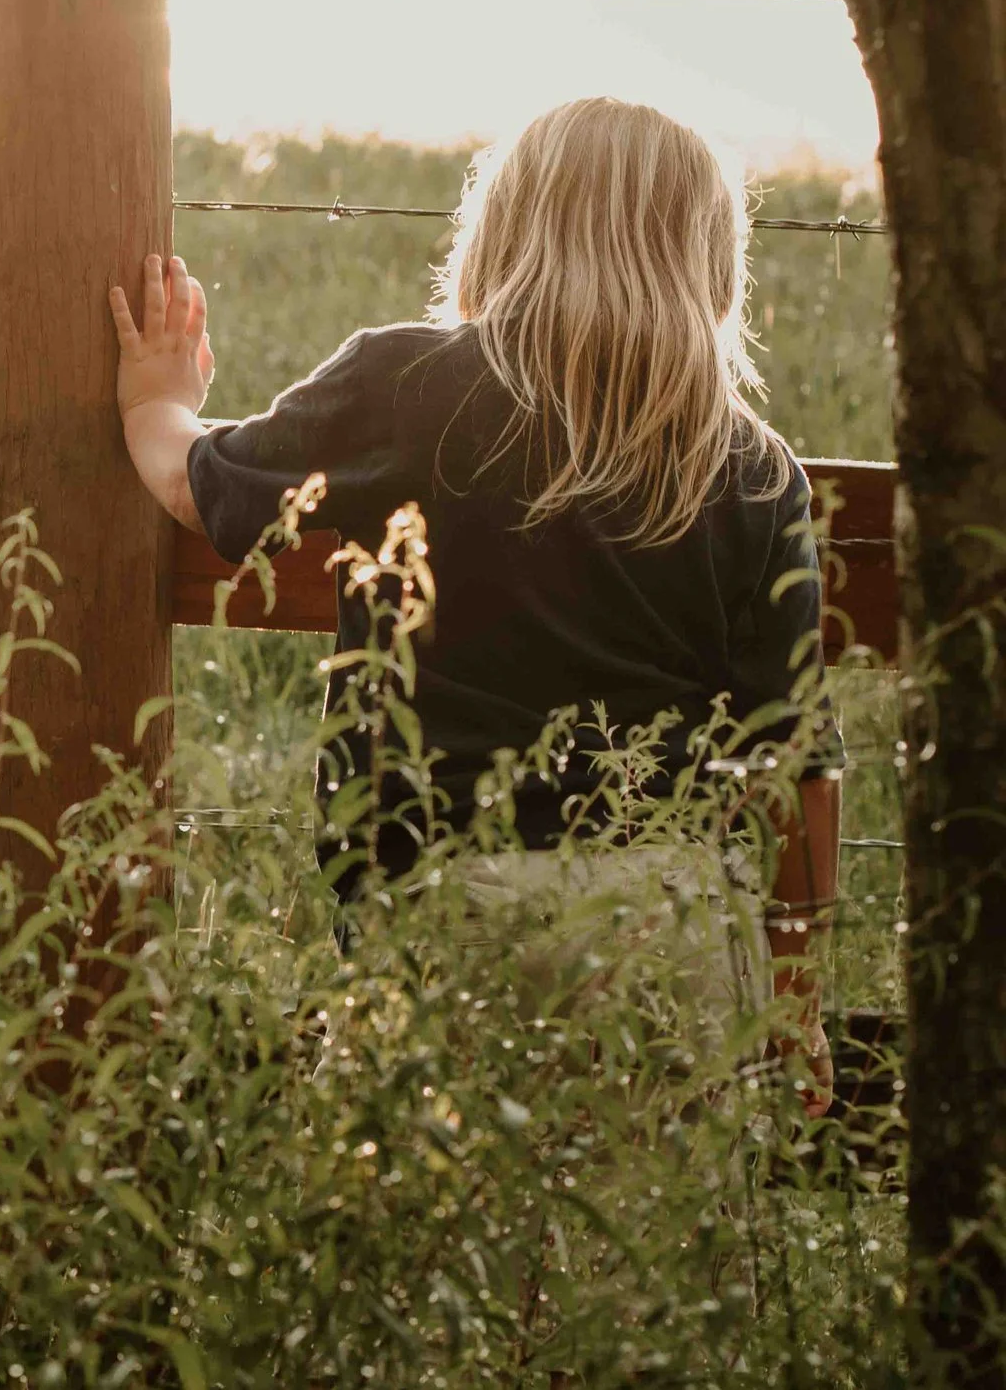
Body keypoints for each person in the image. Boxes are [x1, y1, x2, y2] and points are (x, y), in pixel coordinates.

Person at [110, 97, 842, 1111]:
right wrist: (796, 998)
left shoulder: (408, 384)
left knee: (428, 1209)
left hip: (445, 900)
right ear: (709, 262)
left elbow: (198, 491)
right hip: (673, 918)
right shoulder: (753, 467)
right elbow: (797, 761)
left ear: (501, 231)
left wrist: (156, 399)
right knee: (654, 1212)